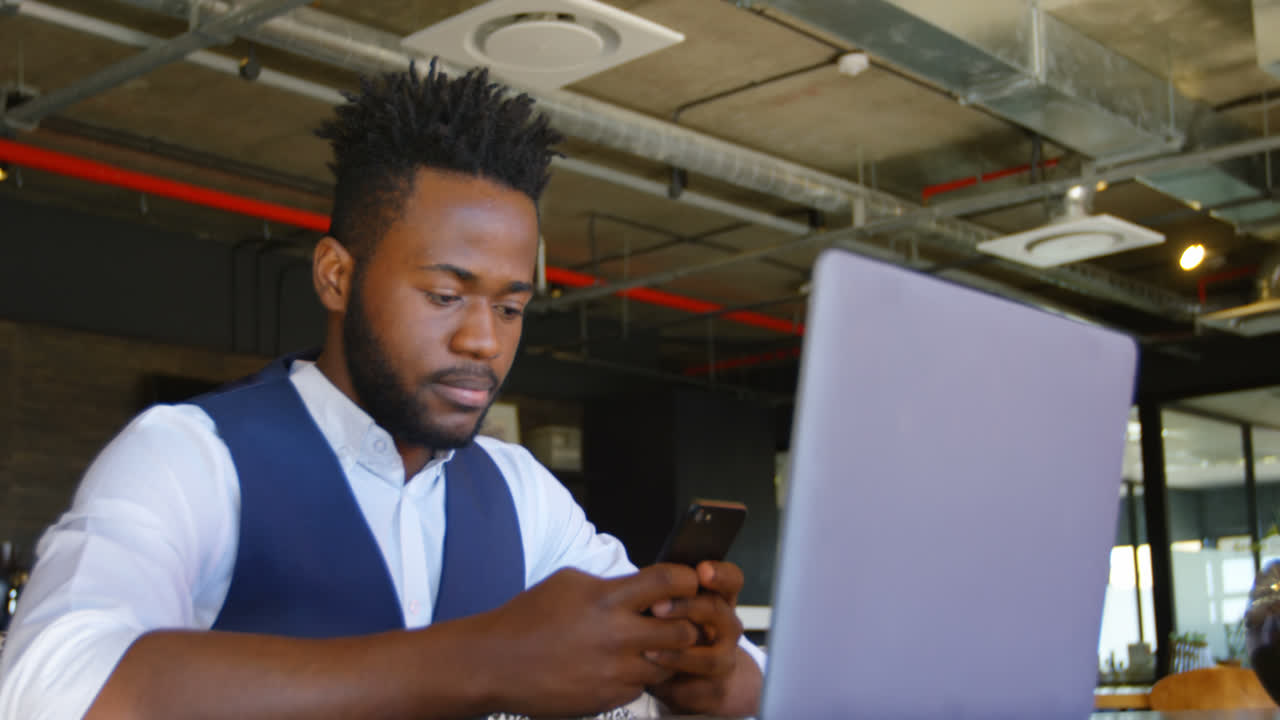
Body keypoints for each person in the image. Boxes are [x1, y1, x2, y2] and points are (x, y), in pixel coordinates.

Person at [0, 62, 765, 720]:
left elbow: (751, 679)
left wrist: (711, 670)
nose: (483, 341)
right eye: (444, 296)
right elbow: (47, 689)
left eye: (509, 307)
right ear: (337, 276)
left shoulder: (521, 492)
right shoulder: (191, 456)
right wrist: (484, 662)